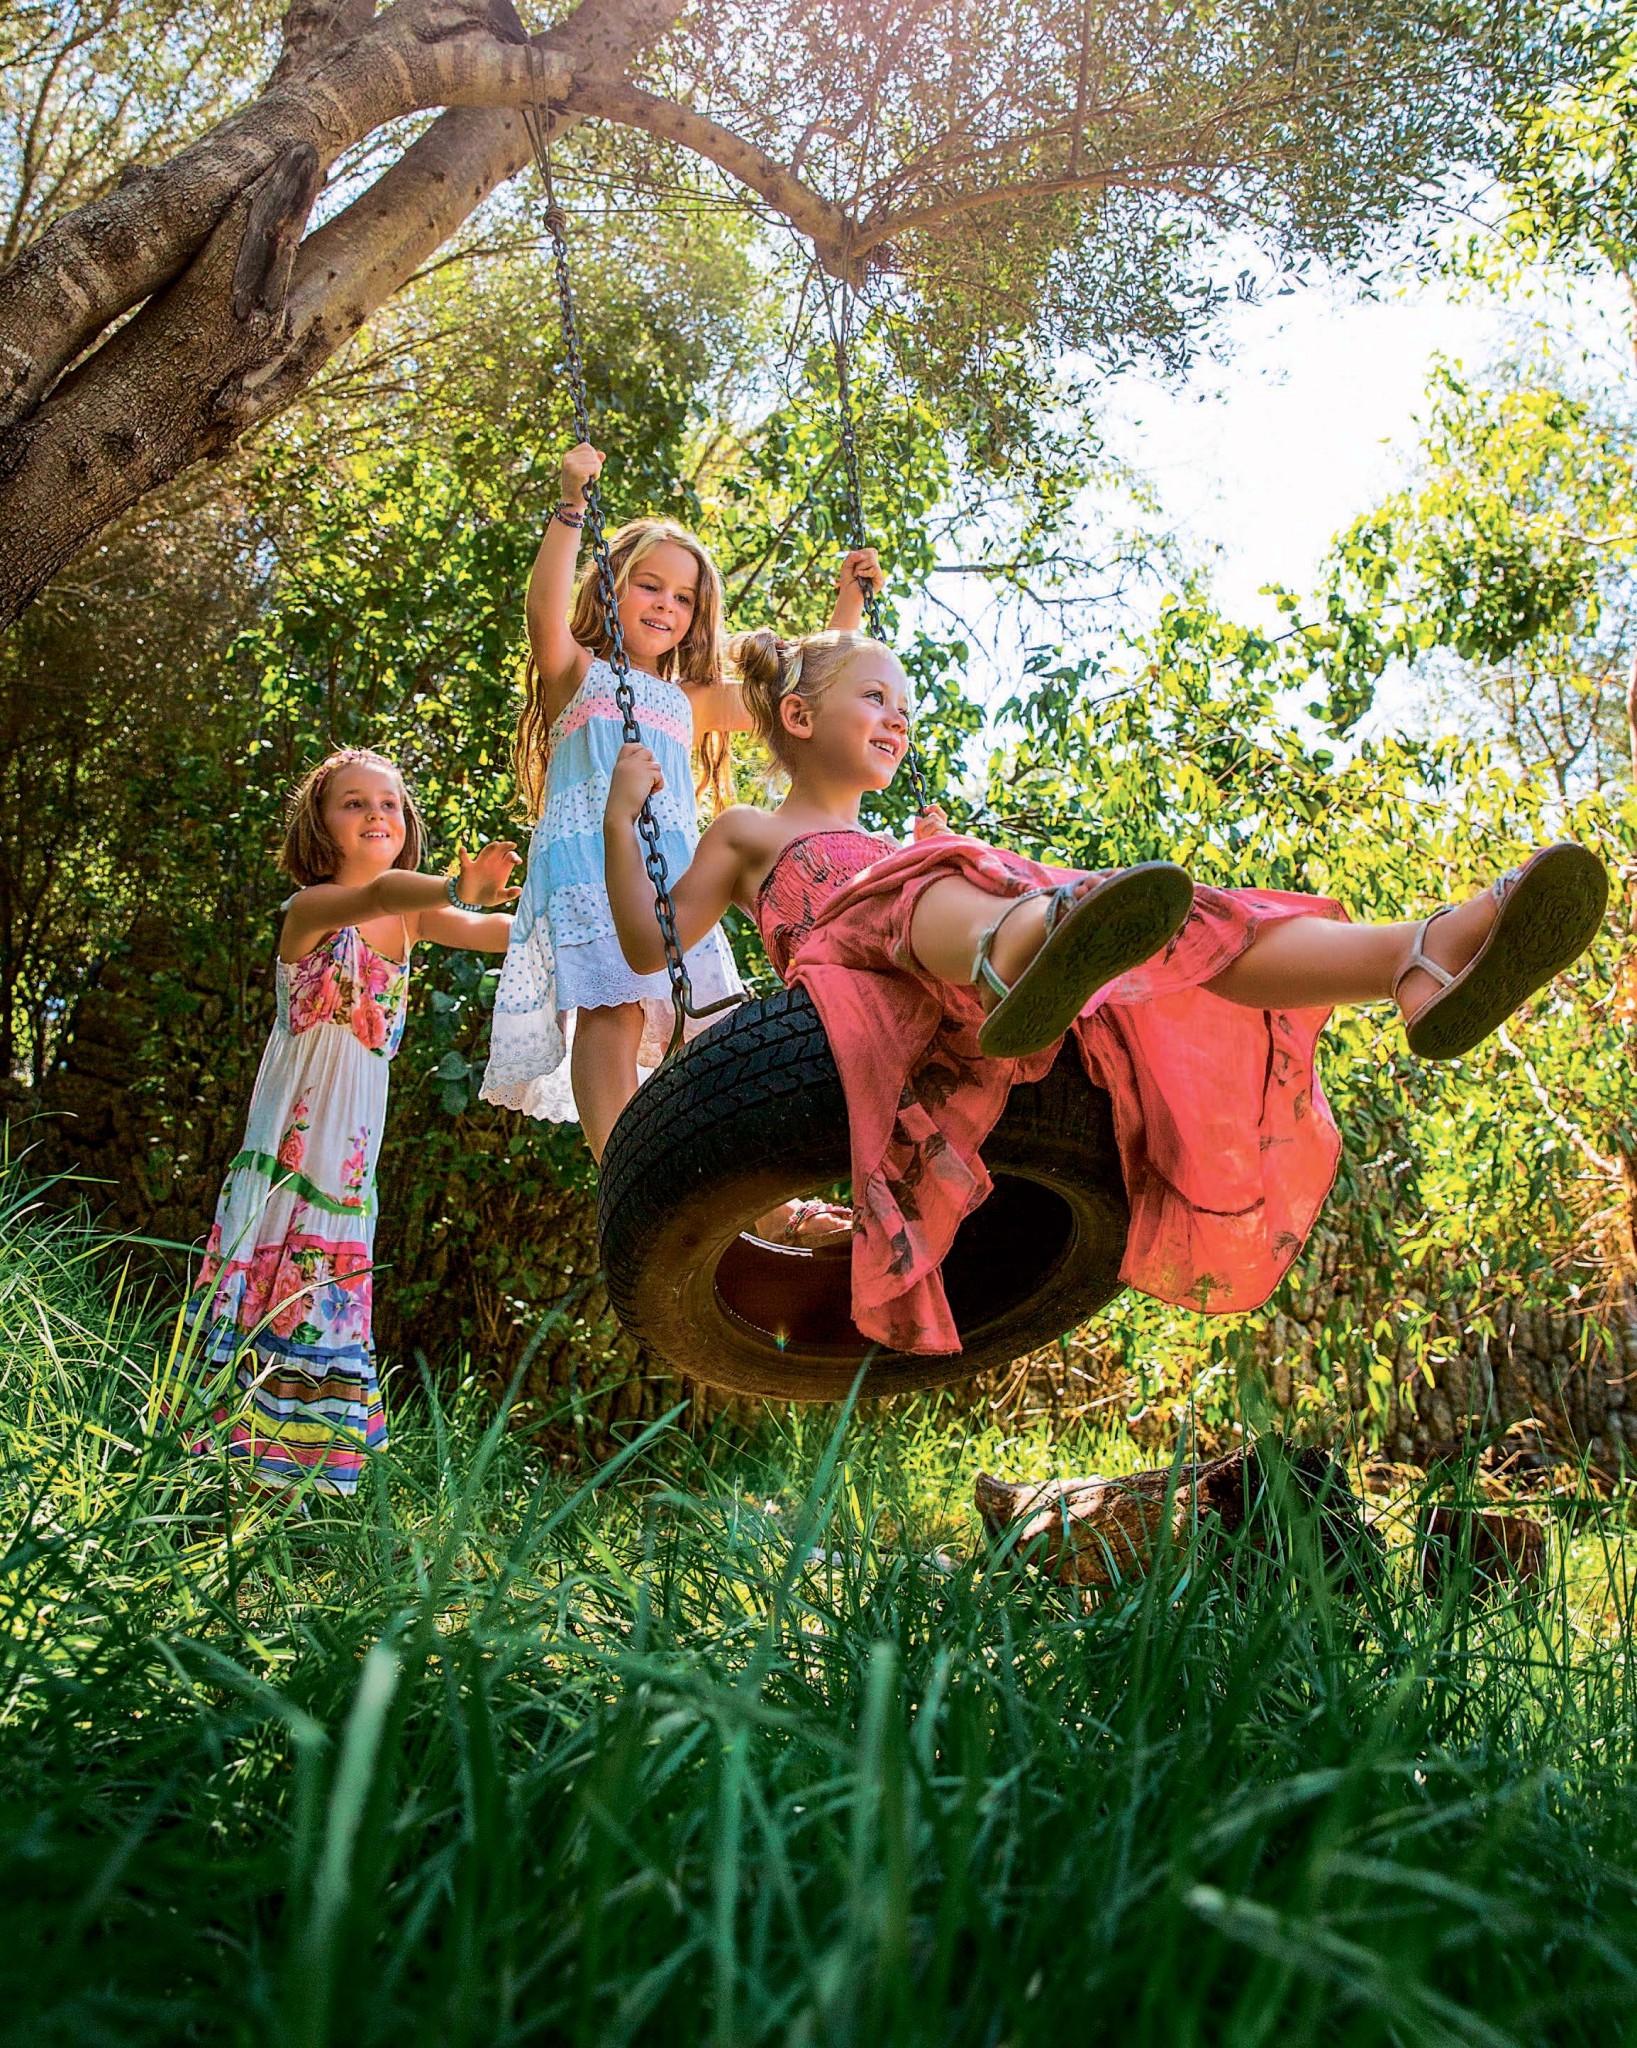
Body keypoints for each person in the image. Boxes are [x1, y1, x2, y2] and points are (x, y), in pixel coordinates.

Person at [602, 627, 1608, 1356]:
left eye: (904, 704)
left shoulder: (906, 841)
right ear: (797, 717)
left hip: (985, 983)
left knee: (1188, 921)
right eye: (876, 697)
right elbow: (650, 943)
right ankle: (1016, 945)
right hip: (866, 977)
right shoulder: (752, 833)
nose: (898, 716)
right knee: (927, 883)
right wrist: (620, 817)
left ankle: (1416, 957)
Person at [480, 439, 882, 1160]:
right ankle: (622, 1169)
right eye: (649, 586)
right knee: (614, 1010)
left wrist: (848, 602)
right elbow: (542, 611)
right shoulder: (578, 672)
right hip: (590, 860)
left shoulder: (689, 699)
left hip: (671, 873)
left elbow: (802, 698)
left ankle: (745, 1202)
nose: (666, 604)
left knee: (703, 1031)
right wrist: (571, 506)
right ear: (609, 588)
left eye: (683, 597)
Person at [170, 747, 518, 1496]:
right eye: (353, 803)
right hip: (293, 1138)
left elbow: (499, 933)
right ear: (319, 827)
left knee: (323, 1281)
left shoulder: (414, 919)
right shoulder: (313, 907)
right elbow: (380, 893)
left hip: (351, 1148)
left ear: (407, 823)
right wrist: (459, 886)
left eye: (389, 803)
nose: (375, 814)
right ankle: (219, 1457)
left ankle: (293, 1469)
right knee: (274, 1268)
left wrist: (580, 914)